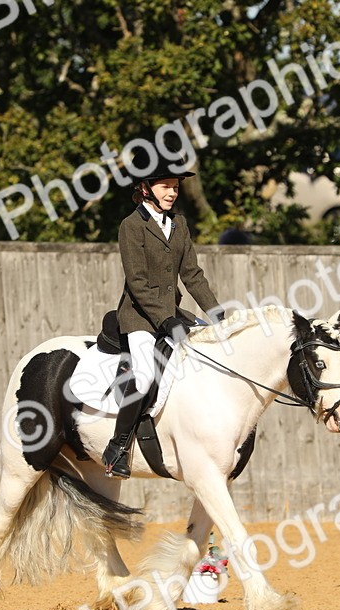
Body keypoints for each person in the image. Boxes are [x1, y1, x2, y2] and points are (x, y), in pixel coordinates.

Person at [102, 161, 224, 479]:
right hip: (140, 317)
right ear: (146, 189)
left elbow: (192, 275)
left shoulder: (178, 224)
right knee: (142, 376)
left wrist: (215, 313)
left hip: (173, 313)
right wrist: (165, 319)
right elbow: (138, 283)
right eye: (165, 186)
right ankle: (117, 448)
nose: (172, 192)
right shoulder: (132, 226)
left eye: (175, 186)